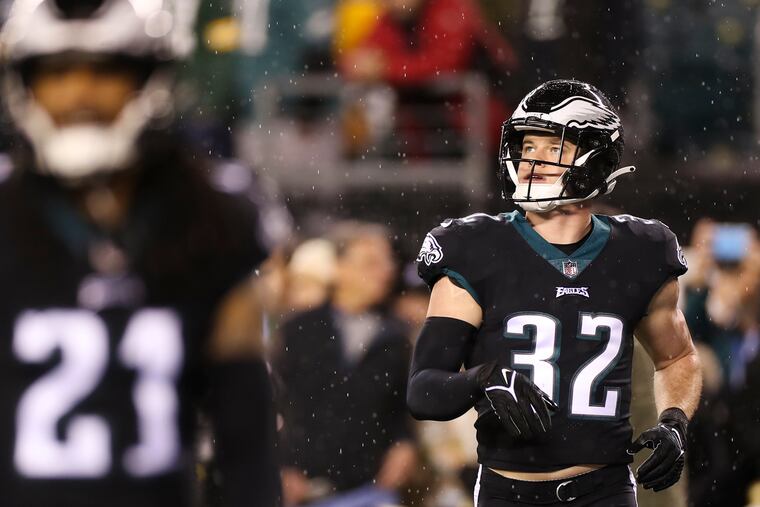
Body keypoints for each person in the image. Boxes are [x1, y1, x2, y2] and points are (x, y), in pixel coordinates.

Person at [0, 1, 280, 506]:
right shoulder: (10, 215)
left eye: (105, 71)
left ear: (149, 79)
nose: (78, 93)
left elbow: (245, 443)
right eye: (55, 73)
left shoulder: (210, 219)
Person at [407, 79, 702, 506]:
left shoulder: (641, 251)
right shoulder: (474, 248)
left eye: (553, 147)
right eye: (528, 146)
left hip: (604, 490)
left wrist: (674, 420)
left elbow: (677, 358)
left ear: (595, 156)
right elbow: (423, 390)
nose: (532, 160)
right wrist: (483, 380)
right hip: (508, 492)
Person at [275, 221, 417, 506]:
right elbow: (274, 402)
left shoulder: (397, 336)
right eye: (370, 262)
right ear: (339, 268)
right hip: (303, 490)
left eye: (388, 262)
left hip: (371, 489)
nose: (386, 271)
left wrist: (405, 444)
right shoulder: (298, 330)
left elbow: (400, 407)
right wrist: (280, 462)